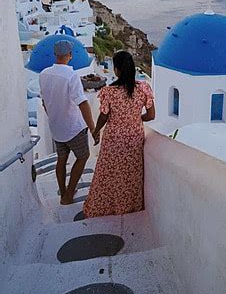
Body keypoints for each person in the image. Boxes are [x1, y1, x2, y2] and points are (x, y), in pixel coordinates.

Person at [83, 51, 155, 218]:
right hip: (134, 139)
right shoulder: (143, 88)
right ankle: (129, 207)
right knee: (130, 175)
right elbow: (151, 116)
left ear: (116, 70)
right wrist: (136, 119)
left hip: (113, 139)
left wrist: (95, 131)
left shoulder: (110, 92)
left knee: (108, 174)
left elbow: (104, 115)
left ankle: (106, 207)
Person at [39, 39, 96, 205]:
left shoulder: (44, 74)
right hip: (73, 128)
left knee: (61, 160)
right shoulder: (71, 76)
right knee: (83, 156)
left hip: (56, 127)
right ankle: (68, 195)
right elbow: (83, 103)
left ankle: (63, 191)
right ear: (69, 55)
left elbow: (44, 101)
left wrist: (53, 116)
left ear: (56, 54)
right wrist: (92, 128)